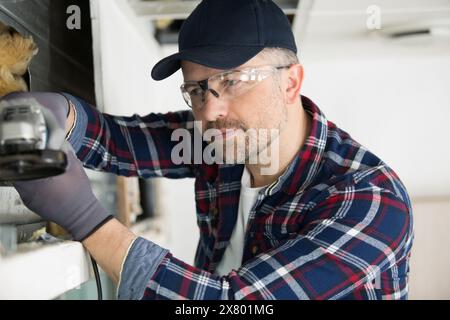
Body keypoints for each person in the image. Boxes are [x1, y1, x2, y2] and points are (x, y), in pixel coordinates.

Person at [3, 0, 413, 300]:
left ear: (290, 83)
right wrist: (57, 114)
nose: (211, 110)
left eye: (233, 80)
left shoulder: (369, 201)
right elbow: (114, 141)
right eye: (197, 89)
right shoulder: (223, 141)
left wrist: (85, 219)